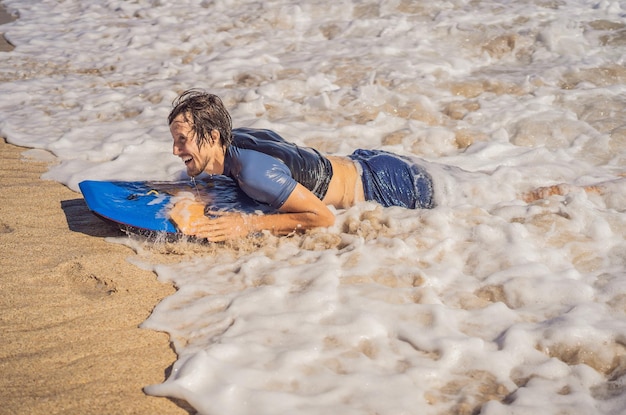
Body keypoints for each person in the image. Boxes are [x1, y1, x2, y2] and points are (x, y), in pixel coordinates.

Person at [167, 89, 611, 242]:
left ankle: (598, 191)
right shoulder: (239, 138)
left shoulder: (253, 172)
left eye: (182, 141)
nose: (175, 151)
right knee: (491, 187)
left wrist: (248, 226)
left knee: (510, 200)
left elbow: (320, 217)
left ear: (211, 136)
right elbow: (286, 152)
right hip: (371, 164)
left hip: (392, 188)